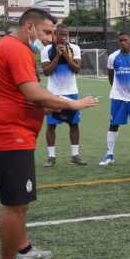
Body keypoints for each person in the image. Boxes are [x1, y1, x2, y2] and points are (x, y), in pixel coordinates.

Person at [0, 8, 97, 259]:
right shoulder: (15, 49)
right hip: (9, 137)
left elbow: (19, 96)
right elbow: (31, 91)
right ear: (29, 27)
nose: (52, 38)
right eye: (47, 32)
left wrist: (48, 109)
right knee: (14, 204)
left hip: (15, 134)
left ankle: (23, 248)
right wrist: (71, 103)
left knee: (20, 201)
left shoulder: (11, 48)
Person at [99, 32, 130, 166]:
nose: (122, 42)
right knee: (113, 124)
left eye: (125, 40)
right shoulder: (113, 57)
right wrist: (117, 89)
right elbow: (110, 75)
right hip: (118, 97)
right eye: (120, 40)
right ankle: (109, 154)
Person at [40, 24, 86, 167]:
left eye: (66, 35)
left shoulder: (75, 48)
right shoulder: (47, 50)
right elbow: (47, 71)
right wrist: (58, 56)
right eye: (61, 34)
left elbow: (76, 69)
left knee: (74, 124)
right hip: (53, 94)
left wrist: (66, 56)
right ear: (55, 35)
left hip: (71, 92)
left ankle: (75, 155)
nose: (64, 37)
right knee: (51, 125)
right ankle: (51, 157)